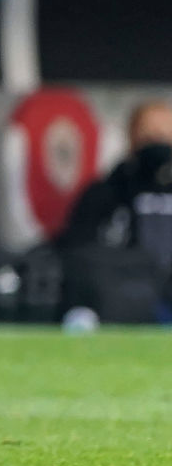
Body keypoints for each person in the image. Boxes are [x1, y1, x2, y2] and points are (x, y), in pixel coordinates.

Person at [56, 100, 172, 316]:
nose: (158, 144)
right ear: (132, 138)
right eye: (149, 137)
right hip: (128, 295)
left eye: (164, 136)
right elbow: (79, 249)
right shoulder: (108, 190)